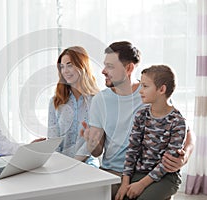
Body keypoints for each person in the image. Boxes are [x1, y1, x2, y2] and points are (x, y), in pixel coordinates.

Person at [80, 41, 194, 199]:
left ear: (129, 68)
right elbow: (98, 151)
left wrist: (184, 156)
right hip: (112, 171)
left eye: (110, 66)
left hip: (148, 173)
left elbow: (186, 132)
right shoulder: (100, 100)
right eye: (105, 65)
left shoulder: (151, 94)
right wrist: (92, 144)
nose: (103, 71)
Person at [116, 65, 186, 200]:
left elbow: (168, 162)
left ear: (162, 89)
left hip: (166, 176)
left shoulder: (178, 121)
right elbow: (132, 150)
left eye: (145, 86)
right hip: (140, 171)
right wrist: (125, 182)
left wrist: (141, 185)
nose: (140, 91)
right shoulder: (141, 115)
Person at [47, 46, 100, 167]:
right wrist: (59, 165)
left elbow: (91, 142)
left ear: (82, 65)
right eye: (62, 66)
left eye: (69, 65)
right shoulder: (55, 102)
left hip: (87, 164)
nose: (65, 70)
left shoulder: (97, 100)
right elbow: (52, 141)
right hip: (60, 164)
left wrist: (72, 164)